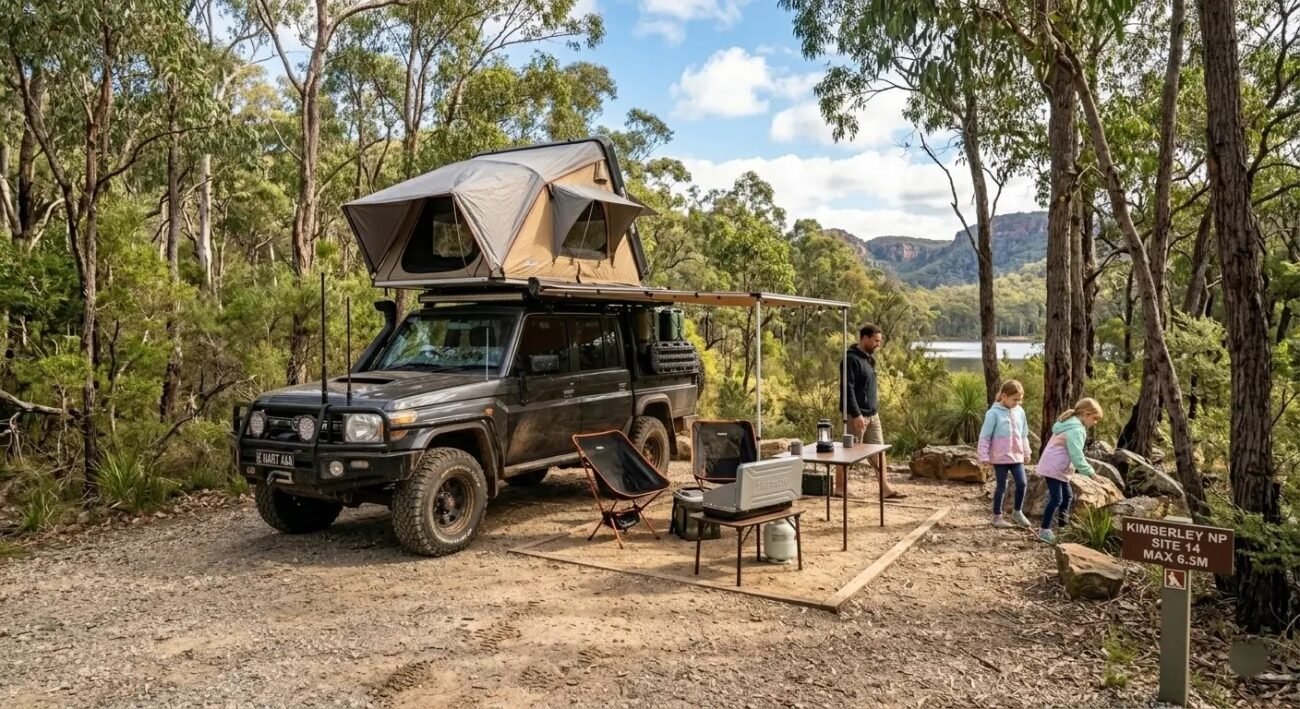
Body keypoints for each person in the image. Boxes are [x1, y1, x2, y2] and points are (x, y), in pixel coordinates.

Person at [843, 323, 905, 499]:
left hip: (873, 414)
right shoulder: (850, 359)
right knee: (848, 452)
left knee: (879, 451)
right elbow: (847, 388)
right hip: (856, 415)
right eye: (876, 341)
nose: (878, 344)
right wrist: (856, 414)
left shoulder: (869, 359)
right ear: (865, 338)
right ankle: (840, 488)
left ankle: (885, 489)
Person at [1033, 397, 1103, 544]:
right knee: (1057, 498)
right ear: (1085, 414)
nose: (1095, 422)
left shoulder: (1071, 425)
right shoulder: (1076, 429)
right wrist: (1090, 472)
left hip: (1058, 467)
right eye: (1094, 418)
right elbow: (1076, 454)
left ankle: (1063, 527)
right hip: (1054, 467)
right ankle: (1044, 530)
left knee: (1067, 496)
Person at [978, 379, 1032, 529]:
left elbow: (1023, 434)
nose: (1017, 403)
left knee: (1022, 483)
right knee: (1002, 485)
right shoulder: (993, 413)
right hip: (1000, 457)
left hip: (1016, 456)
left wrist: (1026, 452)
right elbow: (985, 436)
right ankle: (997, 516)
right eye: (1015, 400)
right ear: (1004, 396)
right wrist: (984, 456)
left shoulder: (1020, 412)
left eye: (1019, 400)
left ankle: (1017, 512)